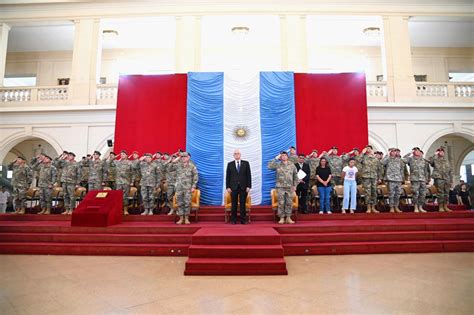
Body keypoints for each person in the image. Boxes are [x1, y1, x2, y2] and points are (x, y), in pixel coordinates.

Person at [268, 151, 298, 224]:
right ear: (280, 157)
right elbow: (269, 166)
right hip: (280, 187)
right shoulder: (278, 165)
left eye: (285, 155)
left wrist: (295, 185)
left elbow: (295, 176)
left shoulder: (292, 165)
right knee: (281, 202)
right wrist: (276, 158)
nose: (284, 156)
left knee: (289, 202)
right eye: (282, 156)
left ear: (287, 157)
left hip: (289, 187)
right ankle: (281, 218)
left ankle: (288, 217)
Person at [226, 149, 252, 224]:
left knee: (242, 204)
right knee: (233, 204)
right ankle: (233, 220)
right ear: (233, 155)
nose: (237, 155)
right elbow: (228, 176)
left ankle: (243, 220)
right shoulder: (230, 164)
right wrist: (228, 187)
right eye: (235, 154)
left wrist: (248, 186)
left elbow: (248, 175)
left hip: (243, 187)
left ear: (240, 155)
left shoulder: (246, 163)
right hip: (233, 187)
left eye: (238, 153)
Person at [172, 152, 198, 224]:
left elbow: (195, 177)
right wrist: (177, 159)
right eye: (182, 157)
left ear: (188, 157)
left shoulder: (192, 166)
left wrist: (193, 187)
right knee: (180, 203)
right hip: (179, 187)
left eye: (185, 157)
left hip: (188, 188)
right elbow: (170, 167)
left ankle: (186, 218)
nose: (183, 158)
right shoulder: (178, 165)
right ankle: (181, 218)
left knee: (187, 203)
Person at [402, 147, 430, 213]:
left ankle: (420, 207)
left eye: (418, 151)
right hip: (415, 179)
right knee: (415, 193)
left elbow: (426, 171)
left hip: (422, 179)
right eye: (416, 151)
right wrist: (410, 153)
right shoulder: (411, 159)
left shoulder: (423, 160)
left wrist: (426, 179)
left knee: (423, 194)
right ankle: (416, 207)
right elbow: (403, 160)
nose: (417, 152)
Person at [356, 145, 381, 213]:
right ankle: (368, 207)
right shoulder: (363, 157)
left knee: (374, 192)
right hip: (366, 177)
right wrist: (362, 153)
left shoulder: (375, 158)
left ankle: (373, 207)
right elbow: (358, 160)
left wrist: (379, 178)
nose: (368, 149)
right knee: (367, 192)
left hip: (374, 177)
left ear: (371, 150)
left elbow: (379, 169)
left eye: (369, 148)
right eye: (367, 148)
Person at [429, 147, 453, 212]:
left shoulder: (446, 160)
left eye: (442, 152)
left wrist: (451, 180)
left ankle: (445, 206)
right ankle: (440, 207)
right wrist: (435, 154)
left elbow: (450, 170)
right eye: (440, 151)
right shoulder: (435, 159)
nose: (441, 152)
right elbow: (430, 162)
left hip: (447, 178)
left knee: (446, 193)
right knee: (440, 193)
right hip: (439, 178)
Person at [381, 148, 404, 213]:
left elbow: (401, 169)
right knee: (391, 194)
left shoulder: (399, 160)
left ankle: (396, 206)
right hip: (390, 179)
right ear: (390, 152)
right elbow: (382, 162)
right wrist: (387, 155)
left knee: (398, 194)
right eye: (392, 151)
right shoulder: (388, 159)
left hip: (398, 179)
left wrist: (402, 178)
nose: (394, 153)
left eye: (395, 151)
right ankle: (391, 207)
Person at [112, 150, 134, 215]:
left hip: (126, 182)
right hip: (118, 182)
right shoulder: (117, 162)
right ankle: (118, 210)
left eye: (123, 154)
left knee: (125, 197)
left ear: (126, 155)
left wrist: (132, 181)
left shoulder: (130, 163)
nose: (122, 155)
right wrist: (115, 156)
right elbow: (109, 162)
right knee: (118, 197)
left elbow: (133, 173)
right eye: (121, 154)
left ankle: (125, 210)